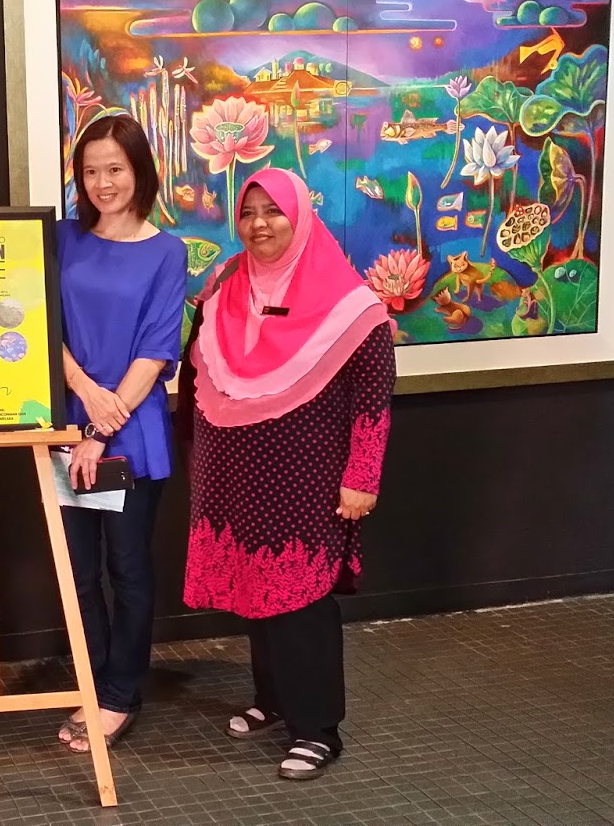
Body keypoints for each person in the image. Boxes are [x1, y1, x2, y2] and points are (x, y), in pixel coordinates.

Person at [178, 167, 396, 780]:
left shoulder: (352, 305)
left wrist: (362, 477)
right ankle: (273, 700)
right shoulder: (226, 284)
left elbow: (374, 399)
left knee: (301, 597)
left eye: (273, 211)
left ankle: (317, 728)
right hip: (233, 471)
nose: (259, 224)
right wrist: (197, 457)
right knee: (255, 590)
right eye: (248, 213)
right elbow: (195, 373)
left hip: (308, 477)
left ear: (300, 218)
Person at [54, 113, 187, 754]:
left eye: (115, 169)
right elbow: (39, 326)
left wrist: (102, 428)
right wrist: (84, 396)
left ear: (140, 172)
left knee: (127, 567)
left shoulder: (167, 252)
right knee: (77, 572)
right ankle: (92, 680)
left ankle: (120, 694)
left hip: (132, 433)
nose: (103, 182)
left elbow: (157, 351)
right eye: (91, 171)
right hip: (68, 422)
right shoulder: (61, 239)